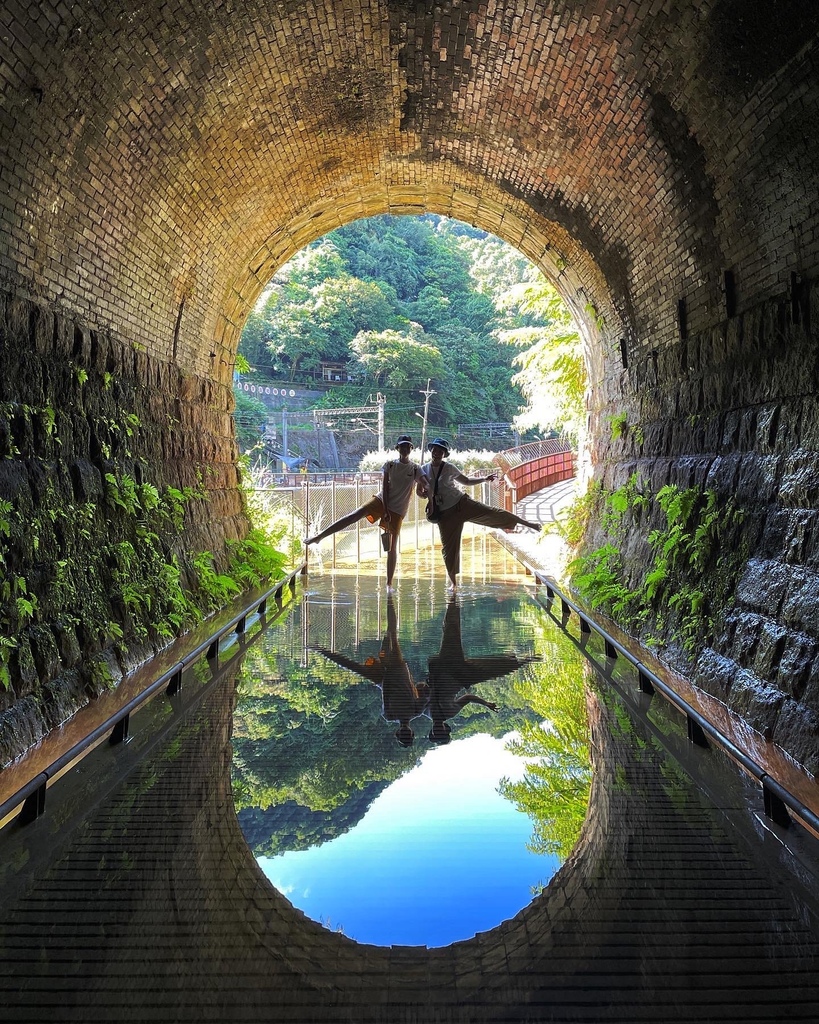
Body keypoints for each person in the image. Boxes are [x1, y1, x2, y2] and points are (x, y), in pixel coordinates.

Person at [417, 437, 541, 591]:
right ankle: (453, 583)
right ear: (431, 451)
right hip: (444, 513)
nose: (437, 453)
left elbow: (467, 481)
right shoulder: (423, 469)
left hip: (461, 504)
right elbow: (419, 491)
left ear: (444, 454)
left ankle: (530, 524)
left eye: (440, 451)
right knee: (449, 548)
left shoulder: (449, 468)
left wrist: (484, 479)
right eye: (435, 450)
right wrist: (424, 495)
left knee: (492, 512)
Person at [305, 434, 421, 590]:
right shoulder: (390, 465)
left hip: (398, 509)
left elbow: (424, 484)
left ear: (411, 448)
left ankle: (389, 583)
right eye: (402, 446)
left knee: (392, 546)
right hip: (381, 501)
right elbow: (385, 489)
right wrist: (385, 510)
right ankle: (319, 537)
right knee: (354, 515)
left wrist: (428, 491)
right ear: (397, 448)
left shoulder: (415, 468)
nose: (405, 448)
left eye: (408, 446)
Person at [311, 597, 430, 747]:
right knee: (390, 635)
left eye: (403, 734)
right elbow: (424, 691)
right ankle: (389, 597)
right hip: (395, 670)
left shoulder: (392, 715)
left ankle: (319, 649)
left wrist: (386, 671)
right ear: (411, 732)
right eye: (408, 734)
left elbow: (386, 693)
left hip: (387, 675)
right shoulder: (411, 712)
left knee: (384, 640)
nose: (405, 732)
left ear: (398, 733)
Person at [426, 597, 537, 743]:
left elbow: (421, 689)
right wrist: (486, 703)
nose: (439, 730)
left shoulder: (425, 711)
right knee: (453, 633)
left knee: (450, 631)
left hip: (444, 670)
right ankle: (523, 659)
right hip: (459, 674)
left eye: (437, 733)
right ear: (446, 728)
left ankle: (453, 598)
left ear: (432, 731)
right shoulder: (450, 713)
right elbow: (468, 698)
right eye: (442, 732)